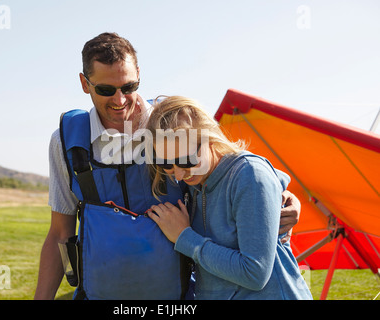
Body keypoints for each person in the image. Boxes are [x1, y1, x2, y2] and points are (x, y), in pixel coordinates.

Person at [34, 32, 302, 300]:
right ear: (84, 83)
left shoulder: (173, 122)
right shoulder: (66, 140)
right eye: (106, 90)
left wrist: (282, 192)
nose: (119, 100)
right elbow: (60, 231)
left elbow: (228, 161)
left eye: (129, 87)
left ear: (139, 73)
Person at [145, 96, 312, 300]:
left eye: (187, 160)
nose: (179, 175)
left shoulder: (249, 176)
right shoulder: (193, 182)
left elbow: (254, 273)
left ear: (210, 138)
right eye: (166, 164)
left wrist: (184, 237)